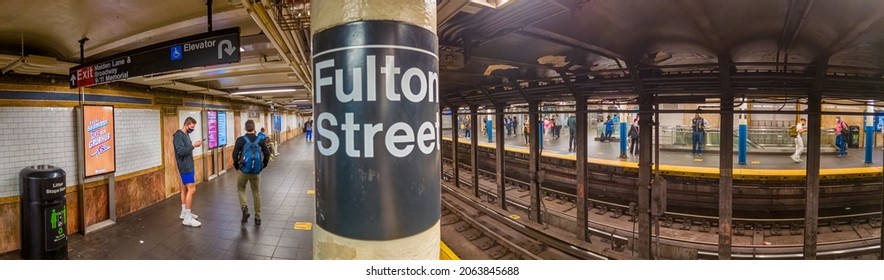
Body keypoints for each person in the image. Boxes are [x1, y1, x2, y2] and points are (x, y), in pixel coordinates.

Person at [233, 120, 271, 225]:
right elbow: (267, 154)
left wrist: (236, 166)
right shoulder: (260, 140)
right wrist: (263, 165)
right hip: (256, 172)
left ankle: (244, 209)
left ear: (245, 129)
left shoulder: (240, 140)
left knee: (241, 189)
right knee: (256, 193)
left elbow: (234, 154)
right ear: (254, 129)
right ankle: (258, 217)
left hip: (243, 171)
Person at [173, 117, 203, 227]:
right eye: (191, 127)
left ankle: (184, 212)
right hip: (185, 167)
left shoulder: (186, 135)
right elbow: (180, 151)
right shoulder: (178, 136)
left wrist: (193, 146)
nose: (192, 129)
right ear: (186, 124)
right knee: (192, 189)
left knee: (184, 188)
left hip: (188, 164)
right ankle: (188, 218)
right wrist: (193, 146)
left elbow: (187, 149)